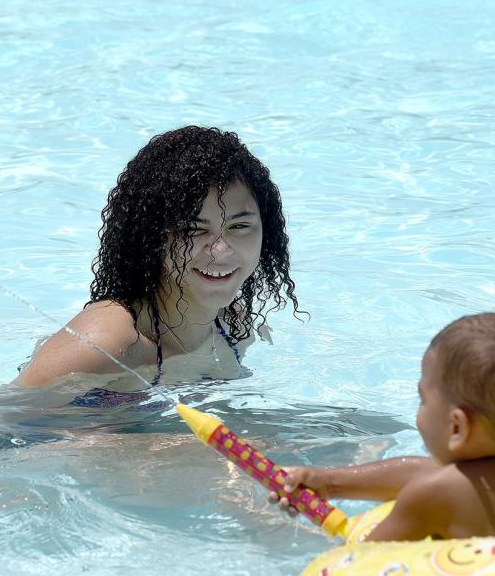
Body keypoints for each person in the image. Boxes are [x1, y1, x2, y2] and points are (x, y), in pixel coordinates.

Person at [15, 126, 300, 403]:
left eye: (239, 226)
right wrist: (153, 448)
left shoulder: (235, 326)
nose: (220, 250)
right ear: (151, 238)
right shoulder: (109, 340)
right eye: (192, 230)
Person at [276, 312, 495, 542]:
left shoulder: (432, 497)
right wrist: (327, 482)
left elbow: (358, 564)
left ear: (457, 428)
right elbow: (428, 472)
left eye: (423, 399)